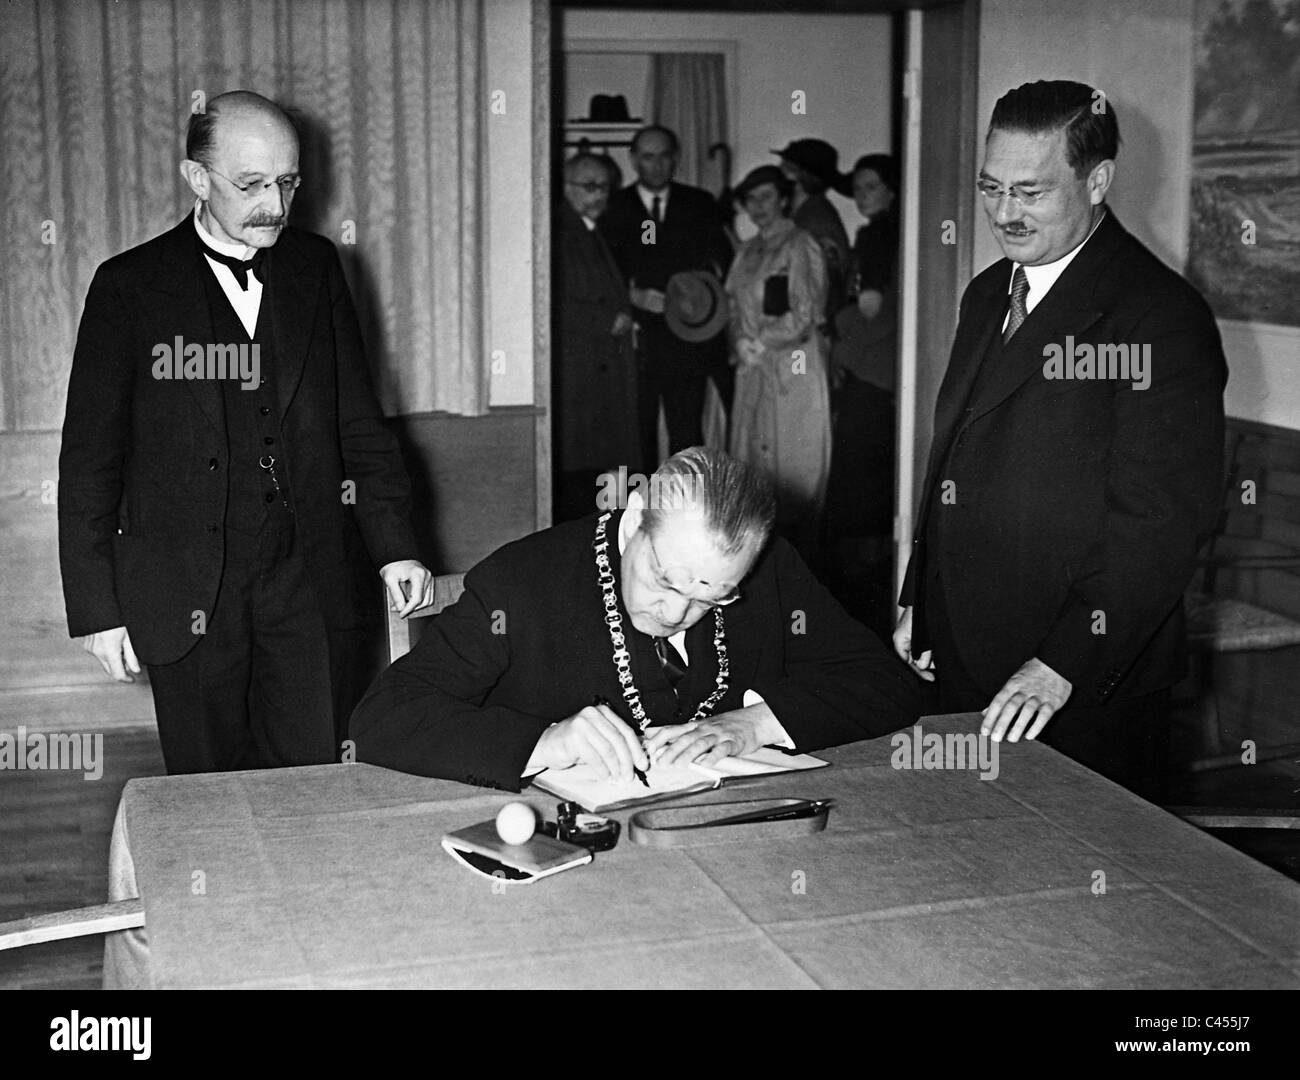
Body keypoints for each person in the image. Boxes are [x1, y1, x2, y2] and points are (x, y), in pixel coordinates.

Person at [58, 91, 432, 774]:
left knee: (316, 775)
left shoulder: (316, 267)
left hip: (308, 578)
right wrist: (96, 608)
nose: (276, 205)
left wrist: (395, 547)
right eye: (251, 184)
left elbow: (357, 421)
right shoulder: (129, 287)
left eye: (287, 182)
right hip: (186, 589)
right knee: (208, 792)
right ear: (197, 179)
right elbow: (90, 459)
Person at [894, 80, 1228, 800]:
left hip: (1073, 674)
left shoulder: (1158, 317)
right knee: (960, 848)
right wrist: (921, 597)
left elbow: (1162, 522)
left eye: (1030, 192)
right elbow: (954, 451)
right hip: (963, 645)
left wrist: (1062, 662)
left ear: (1097, 180)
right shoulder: (988, 293)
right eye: (991, 188)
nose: (1004, 213)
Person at [350, 447, 919, 789]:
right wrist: (546, 741)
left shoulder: (769, 570)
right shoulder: (522, 583)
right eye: (666, 579)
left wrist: (754, 726)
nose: (676, 612)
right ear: (640, 513)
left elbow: (884, 683)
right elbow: (383, 718)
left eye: (712, 599)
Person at [599, 125, 734, 466]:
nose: (656, 166)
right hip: (633, 343)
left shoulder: (699, 204)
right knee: (633, 436)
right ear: (632, 159)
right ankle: (635, 516)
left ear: (675, 159)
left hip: (688, 341)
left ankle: (685, 514)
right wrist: (632, 296)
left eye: (663, 157)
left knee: (687, 436)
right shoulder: (613, 208)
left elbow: (724, 265)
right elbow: (597, 276)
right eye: (647, 157)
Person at [726, 166, 832, 544]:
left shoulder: (800, 244)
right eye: (751, 199)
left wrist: (762, 341)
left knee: (792, 466)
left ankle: (799, 562)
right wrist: (740, 340)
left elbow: (805, 312)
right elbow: (734, 307)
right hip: (753, 365)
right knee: (752, 463)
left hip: (793, 366)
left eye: (767, 196)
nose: (758, 206)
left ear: (784, 198)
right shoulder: (748, 251)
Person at [825, 154, 900, 636]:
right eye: (857, 186)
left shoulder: (876, 235)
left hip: (870, 369)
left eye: (871, 185)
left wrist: (835, 324)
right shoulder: (893, 229)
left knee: (857, 481)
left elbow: (870, 309)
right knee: (870, 477)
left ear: (891, 189)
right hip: (886, 370)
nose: (861, 194)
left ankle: (858, 598)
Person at [553, 153, 638, 521]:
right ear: (566, 187)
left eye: (605, 186)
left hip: (599, 377)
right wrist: (607, 320)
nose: (600, 194)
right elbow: (551, 302)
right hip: (582, 380)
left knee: (602, 480)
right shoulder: (560, 232)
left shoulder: (588, 228)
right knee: (584, 487)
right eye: (590, 186)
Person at [773, 138, 852, 321]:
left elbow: (827, 286)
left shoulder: (815, 221)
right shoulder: (797, 214)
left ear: (801, 176)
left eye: (786, 168)